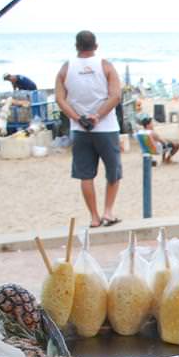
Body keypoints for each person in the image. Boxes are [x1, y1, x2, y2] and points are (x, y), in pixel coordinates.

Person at [55, 30, 122, 228]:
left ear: (76, 46)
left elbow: (60, 99)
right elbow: (115, 96)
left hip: (80, 129)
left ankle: (94, 217)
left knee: (86, 174)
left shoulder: (66, 68)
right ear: (96, 45)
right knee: (113, 170)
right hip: (106, 127)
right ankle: (108, 212)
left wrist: (77, 117)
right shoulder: (106, 65)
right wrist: (98, 116)